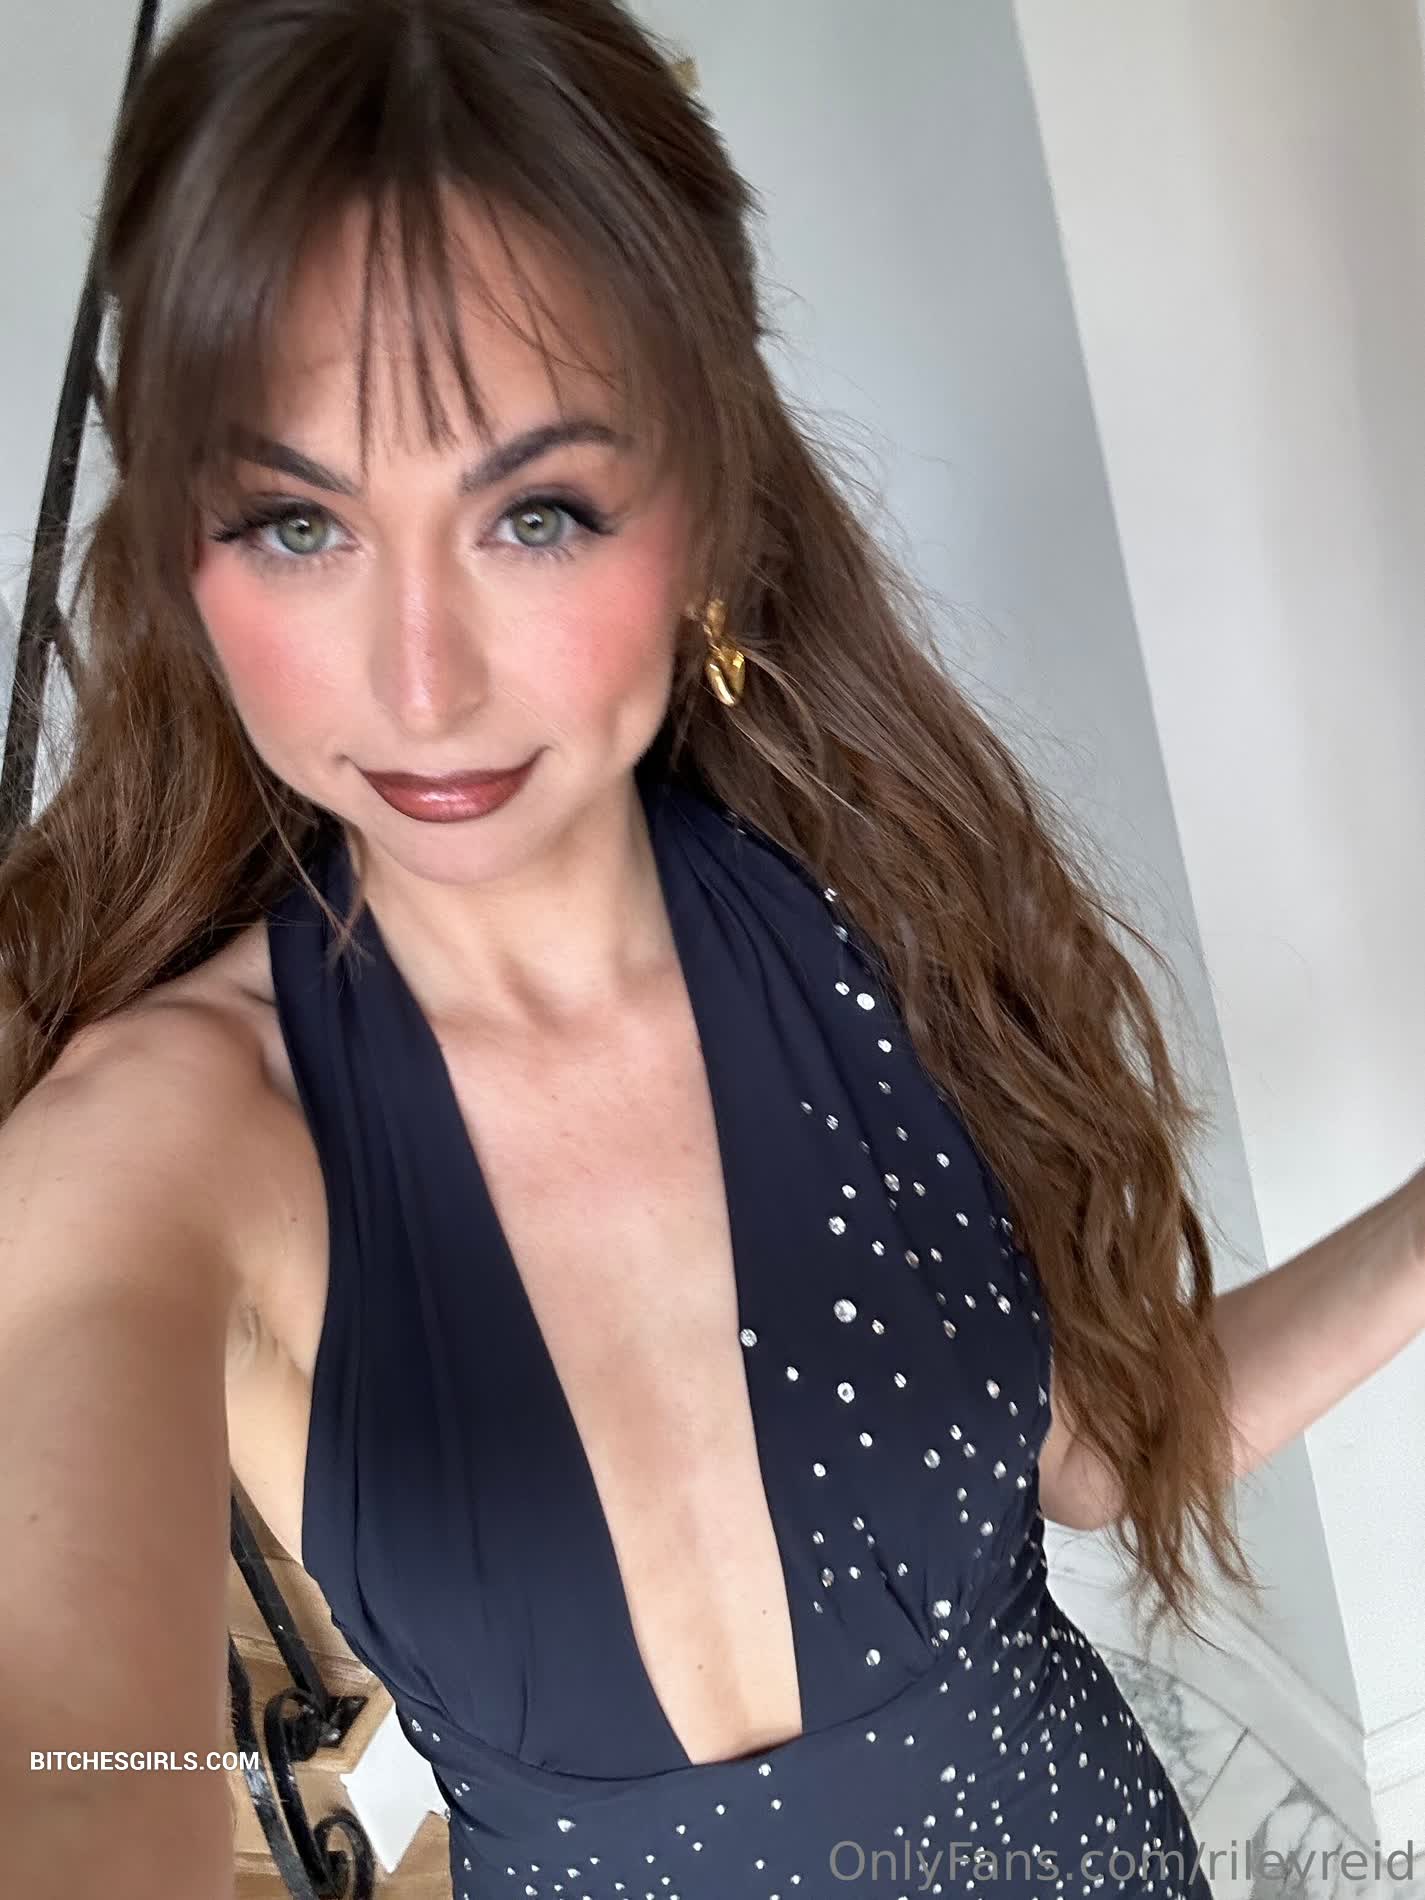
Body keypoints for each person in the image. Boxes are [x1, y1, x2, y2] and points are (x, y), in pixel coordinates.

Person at [4, 2, 1424, 1897]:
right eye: (294, 523)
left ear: (705, 508)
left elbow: (1092, 1458)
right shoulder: (164, 1138)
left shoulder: (885, 923)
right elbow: (69, 1769)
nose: (419, 683)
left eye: (532, 513)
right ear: (185, 561)